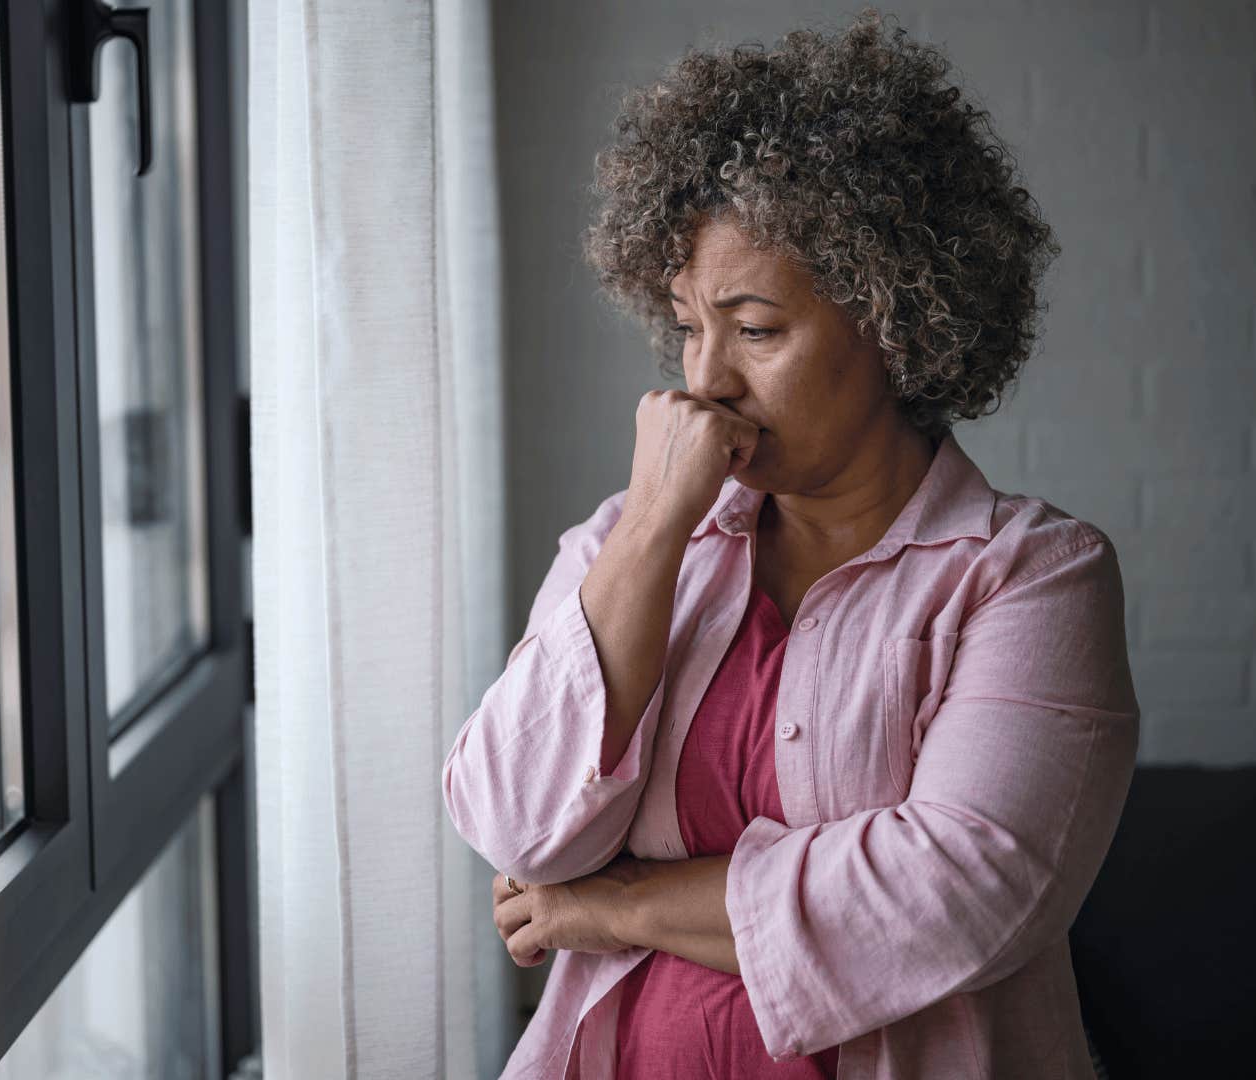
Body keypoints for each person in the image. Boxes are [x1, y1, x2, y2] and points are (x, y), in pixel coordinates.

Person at [440, 9, 1139, 1079]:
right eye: (686, 323)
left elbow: (946, 896)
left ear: (898, 318)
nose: (705, 376)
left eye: (755, 328)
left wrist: (614, 905)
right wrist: (652, 529)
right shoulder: (629, 544)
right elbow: (515, 826)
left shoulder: (1030, 578)